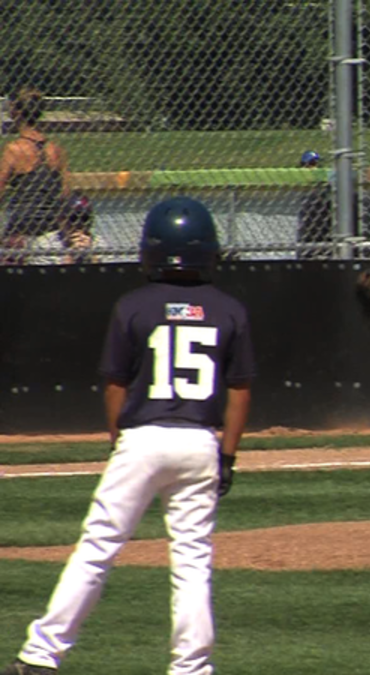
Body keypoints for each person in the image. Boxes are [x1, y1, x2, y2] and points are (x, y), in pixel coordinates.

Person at [3, 197, 255, 675]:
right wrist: (228, 456)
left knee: (98, 547)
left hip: (142, 437)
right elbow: (240, 389)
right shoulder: (228, 309)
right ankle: (192, 667)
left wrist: (119, 440)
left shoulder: (133, 305)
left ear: (152, 251)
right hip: (200, 440)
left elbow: (116, 383)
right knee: (192, 560)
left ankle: (41, 655)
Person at [0, 87, 69, 259]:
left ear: (15, 112)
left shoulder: (14, 149)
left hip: (22, 226)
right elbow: (65, 191)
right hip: (51, 226)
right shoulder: (55, 149)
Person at [297, 150, 370, 259]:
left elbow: (365, 228)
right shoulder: (316, 200)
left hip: (353, 250)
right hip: (322, 249)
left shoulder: (360, 200)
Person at [25, 190, 108, 265]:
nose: (79, 224)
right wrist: (71, 255)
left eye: (85, 218)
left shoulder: (100, 243)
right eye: (73, 219)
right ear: (60, 219)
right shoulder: (44, 245)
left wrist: (90, 256)